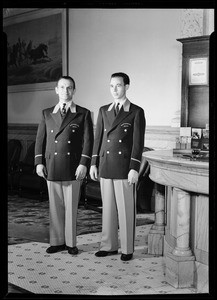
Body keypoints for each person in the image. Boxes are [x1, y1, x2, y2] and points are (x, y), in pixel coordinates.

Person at [90, 72, 146, 261]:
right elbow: (98, 139)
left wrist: (134, 168)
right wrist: (93, 163)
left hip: (124, 168)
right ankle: (109, 245)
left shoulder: (136, 111)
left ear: (127, 87)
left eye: (119, 85)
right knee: (108, 209)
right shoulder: (103, 110)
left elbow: (137, 144)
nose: (114, 89)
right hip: (106, 165)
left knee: (126, 209)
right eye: (111, 86)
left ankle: (127, 249)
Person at [35, 75, 93, 255]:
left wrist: (83, 163)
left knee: (71, 208)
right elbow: (40, 140)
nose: (65, 91)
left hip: (73, 166)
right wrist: (38, 162)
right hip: (52, 165)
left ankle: (70, 243)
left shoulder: (83, 113)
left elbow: (88, 141)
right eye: (62, 87)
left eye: (69, 88)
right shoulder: (47, 113)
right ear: (56, 90)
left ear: (74, 91)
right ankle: (56, 241)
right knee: (55, 207)